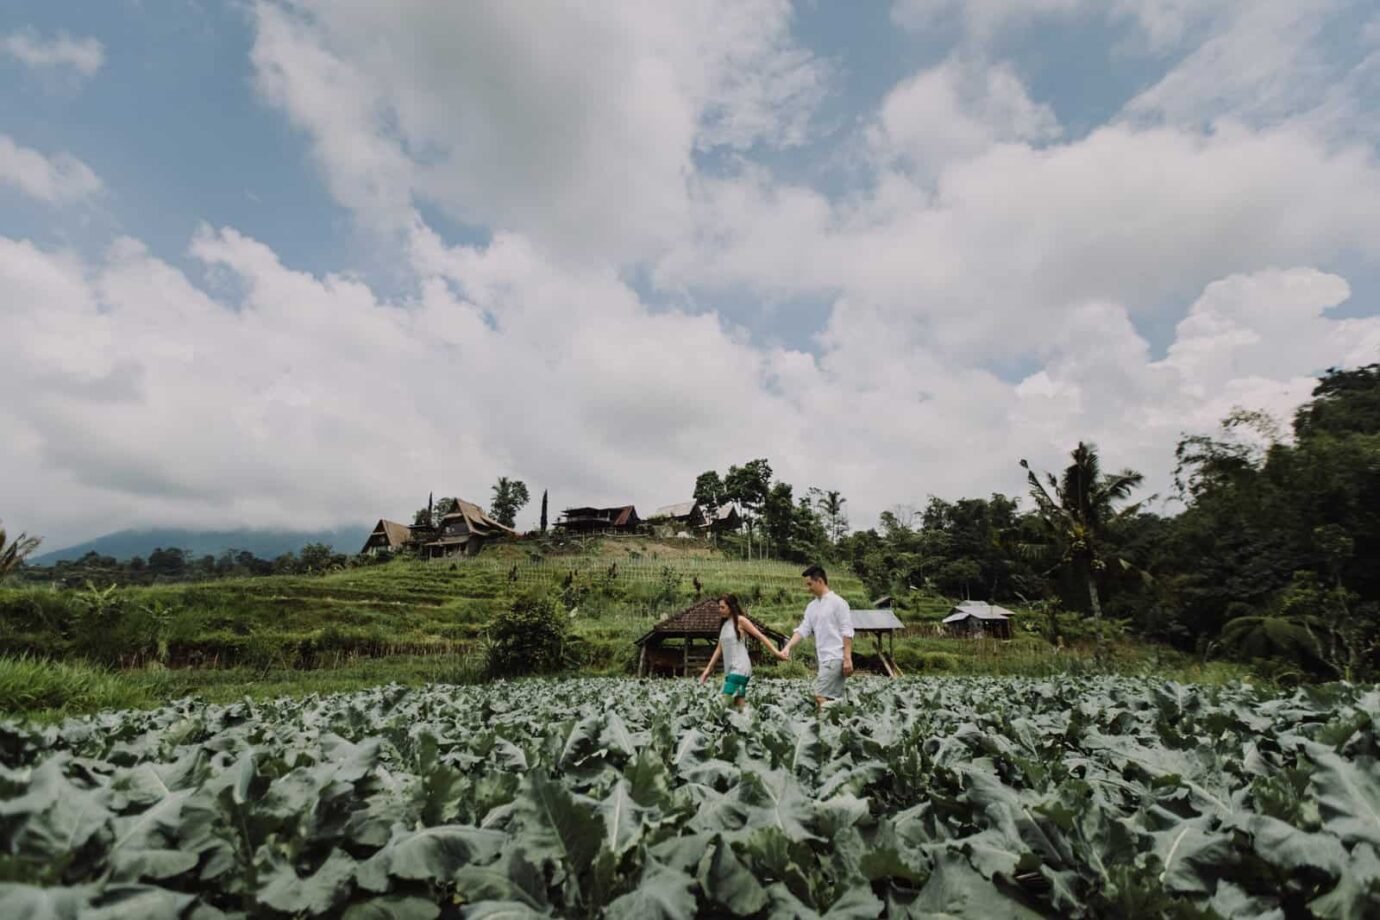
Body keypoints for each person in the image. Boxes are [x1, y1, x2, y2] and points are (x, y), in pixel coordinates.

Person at [781, 564, 853, 708]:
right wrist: (788, 647)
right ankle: (843, 716)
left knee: (820, 695)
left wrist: (847, 658)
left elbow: (847, 631)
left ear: (820, 581)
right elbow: (803, 629)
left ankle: (828, 725)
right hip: (824, 659)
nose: (808, 588)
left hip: (835, 657)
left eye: (810, 584)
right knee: (829, 698)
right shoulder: (812, 607)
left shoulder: (838, 603)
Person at [699, 593, 785, 708]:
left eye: (722, 607)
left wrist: (776, 652)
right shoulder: (724, 625)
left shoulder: (740, 620)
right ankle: (751, 723)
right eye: (719, 607)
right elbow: (719, 648)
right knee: (739, 709)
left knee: (722, 705)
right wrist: (708, 670)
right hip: (730, 670)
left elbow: (760, 636)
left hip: (740, 668)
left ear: (731, 608)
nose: (719, 610)